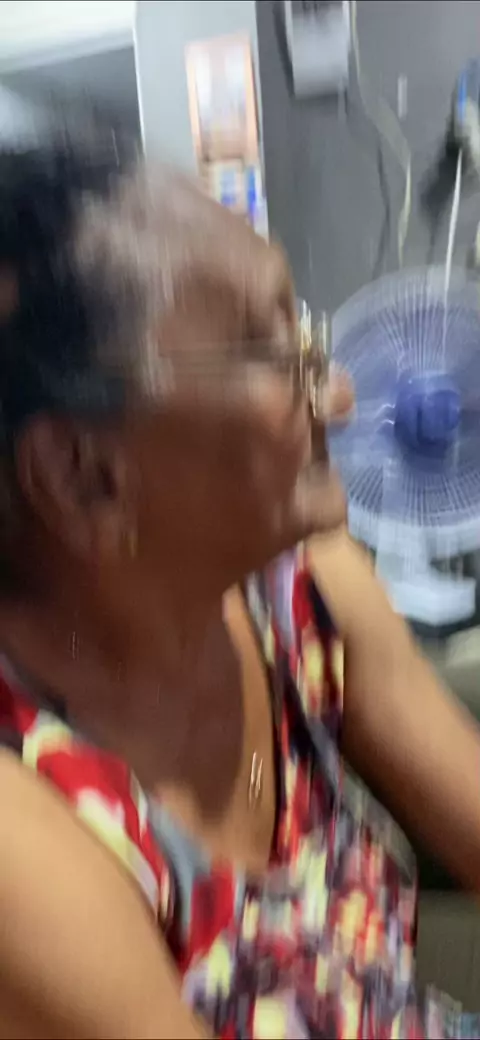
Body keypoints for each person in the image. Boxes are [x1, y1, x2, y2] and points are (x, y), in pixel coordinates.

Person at [0, 143, 478, 1040]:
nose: (339, 395)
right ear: (81, 475)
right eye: (274, 352)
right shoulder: (22, 835)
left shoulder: (302, 593)